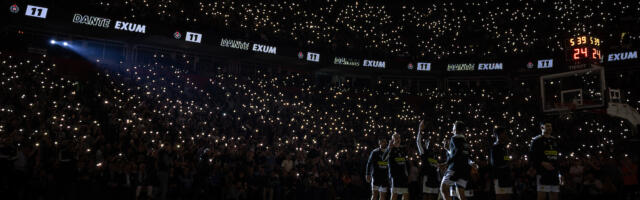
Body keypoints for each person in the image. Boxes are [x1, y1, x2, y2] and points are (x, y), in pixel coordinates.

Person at [440, 121, 473, 200]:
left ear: (455, 129)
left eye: (453, 126)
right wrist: (448, 149)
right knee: (461, 194)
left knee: (443, 188)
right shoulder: (465, 141)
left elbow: (457, 153)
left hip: (455, 168)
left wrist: (446, 163)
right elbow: (461, 153)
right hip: (464, 170)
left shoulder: (454, 138)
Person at [530, 121, 561, 200]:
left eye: (550, 126)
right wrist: (542, 163)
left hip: (554, 172)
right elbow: (532, 156)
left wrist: (559, 172)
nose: (549, 128)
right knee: (542, 196)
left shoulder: (555, 140)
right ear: (542, 127)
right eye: (547, 126)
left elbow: (557, 157)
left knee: (554, 195)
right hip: (542, 172)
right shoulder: (536, 140)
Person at [416, 120, 440, 200]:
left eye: (430, 141)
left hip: (434, 177)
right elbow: (418, 142)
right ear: (425, 144)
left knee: (433, 196)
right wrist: (419, 130)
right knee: (426, 196)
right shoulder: (423, 152)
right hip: (426, 176)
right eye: (427, 142)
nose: (429, 143)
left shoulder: (435, 155)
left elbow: (438, 167)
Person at [490, 126, 514, 200]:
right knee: (500, 196)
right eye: (504, 134)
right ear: (498, 135)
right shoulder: (495, 147)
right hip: (499, 176)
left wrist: (510, 160)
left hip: (507, 175)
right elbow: (494, 163)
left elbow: (506, 158)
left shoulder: (505, 147)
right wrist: (507, 163)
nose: (505, 135)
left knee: (508, 196)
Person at [385, 133, 410, 200]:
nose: (398, 139)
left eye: (399, 138)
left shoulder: (403, 149)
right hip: (394, 176)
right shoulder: (390, 149)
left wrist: (407, 174)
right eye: (396, 138)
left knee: (406, 195)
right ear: (392, 140)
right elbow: (384, 158)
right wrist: (389, 148)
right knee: (394, 195)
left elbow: (406, 163)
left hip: (403, 176)